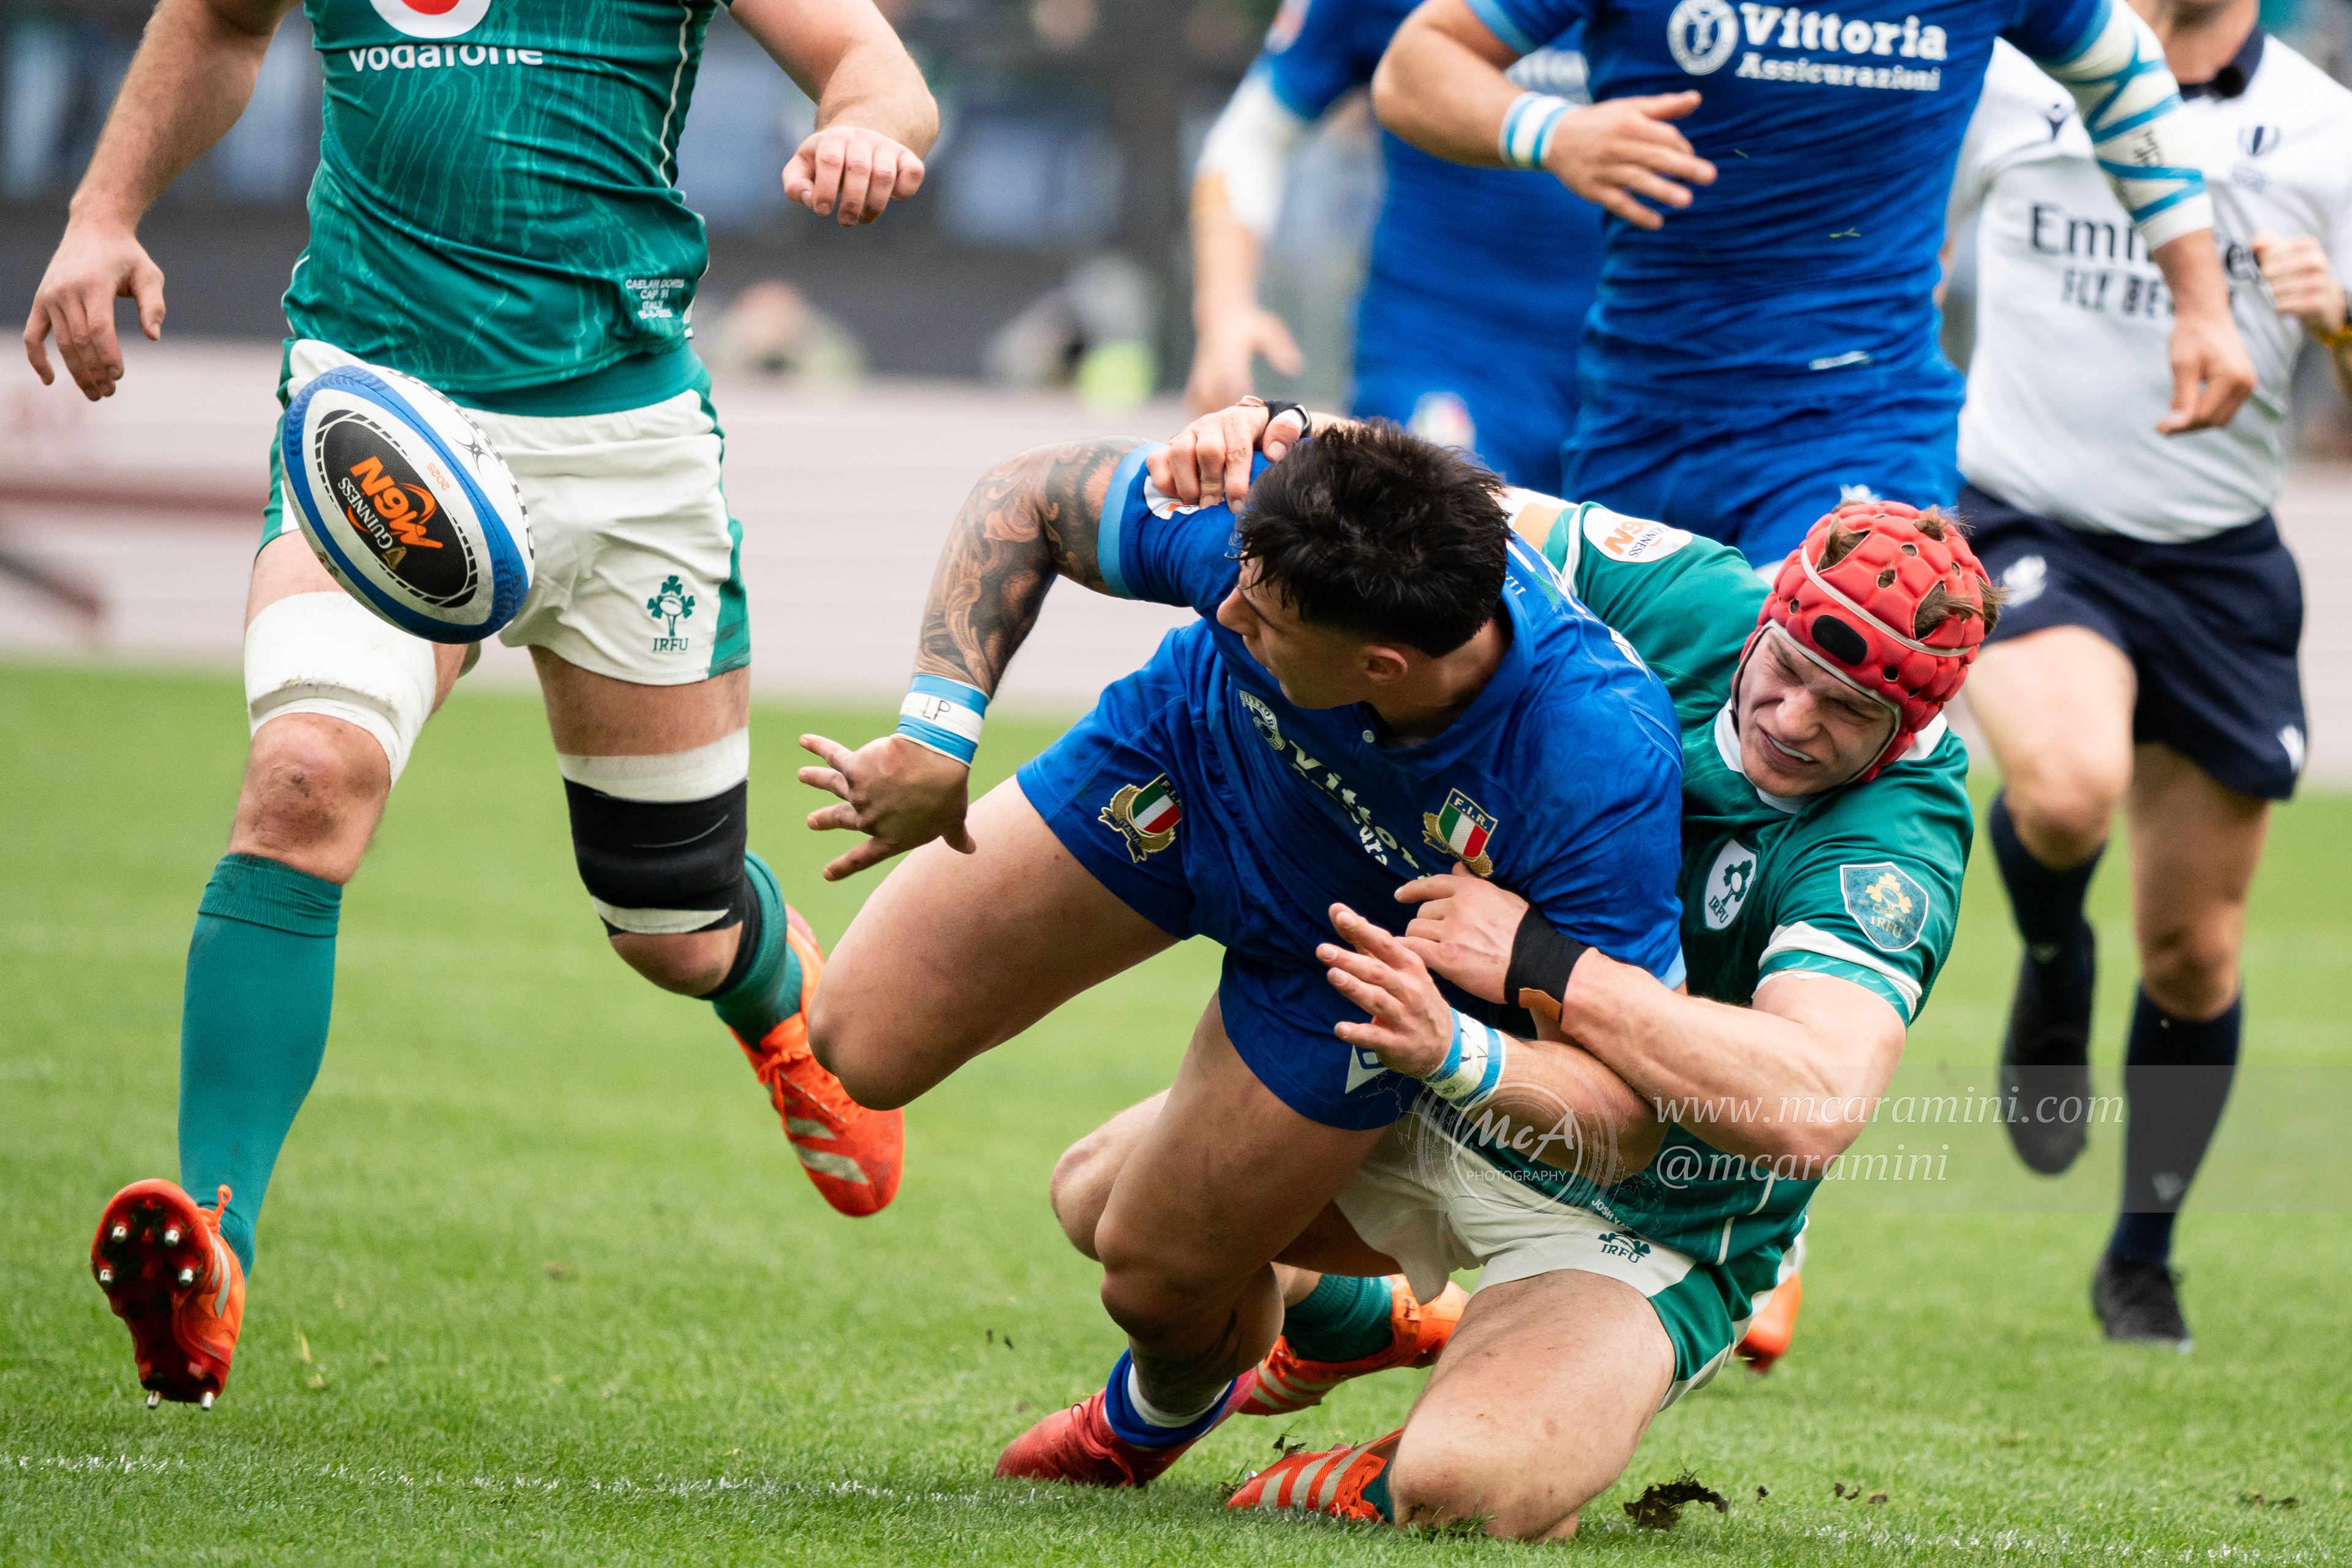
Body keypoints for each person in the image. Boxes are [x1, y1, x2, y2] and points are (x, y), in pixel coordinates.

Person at [28, 0, 935, 1410]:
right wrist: (102, 213)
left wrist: (865, 129)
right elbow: (217, 22)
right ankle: (215, 1246)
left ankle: (777, 994)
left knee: (673, 925)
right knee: (305, 778)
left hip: (627, 447)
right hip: (380, 413)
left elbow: (875, 69)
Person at [1047, 406, 1997, 1536]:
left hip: (1655, 1212)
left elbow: (1812, 1102)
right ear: (1769, 616)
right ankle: (1354, 1319)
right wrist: (1282, 430)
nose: (1793, 719)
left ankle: (1378, 1465)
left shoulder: (1893, 845)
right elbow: (1441, 507)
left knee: (1465, 1490)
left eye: (1849, 713)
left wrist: (1546, 960)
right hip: (1450, 1091)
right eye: (1787, 672)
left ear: (1910, 728)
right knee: (1098, 1198)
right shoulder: (1693, 596)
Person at [793, 419, 1687, 1488]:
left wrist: (1457, 1048)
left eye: (1262, 623)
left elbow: (1625, 1117)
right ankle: (1349, 1316)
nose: (1224, 610)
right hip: (1185, 753)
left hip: (1354, 958)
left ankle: (1154, 1412)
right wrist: (938, 732)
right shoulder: (1268, 529)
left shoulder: (1597, 757)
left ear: (1381, 667)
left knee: (1144, 1268)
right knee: (860, 1038)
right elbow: (1026, 495)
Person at [1945, 0, 2352, 1347]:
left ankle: (2142, 1255)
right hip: (2026, 522)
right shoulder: (2010, 77)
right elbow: (1898, 254)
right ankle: (2053, 960)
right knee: (2067, 790)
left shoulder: (2325, 133)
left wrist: (2340, 324)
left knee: (2194, 949)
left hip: (2218, 562)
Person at [1368, 0, 2258, 567]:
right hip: (1647, 419)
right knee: (1646, 748)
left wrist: (2202, 303)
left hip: (1860, 411)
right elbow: (1416, 66)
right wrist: (1552, 133)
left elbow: (2124, 75)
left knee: (1833, 665)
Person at [1188, 0, 1606, 491]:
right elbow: (1254, 134)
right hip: (1441, 350)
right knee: (1433, 526)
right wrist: (1224, 311)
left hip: (1640, 353)